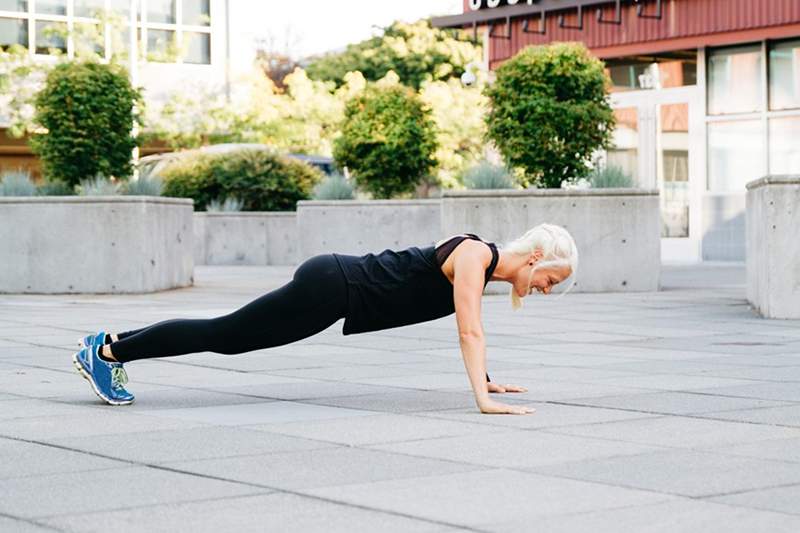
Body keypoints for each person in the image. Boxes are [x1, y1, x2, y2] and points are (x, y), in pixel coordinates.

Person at [72, 223, 578, 414]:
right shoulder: (475, 256)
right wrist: (482, 400)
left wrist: (490, 380)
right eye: (551, 280)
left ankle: (111, 341)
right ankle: (106, 353)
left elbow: (469, 322)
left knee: (229, 335)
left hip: (335, 289)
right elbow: (469, 329)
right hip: (334, 285)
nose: (544, 290)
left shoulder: (482, 265)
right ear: (534, 259)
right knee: (226, 335)